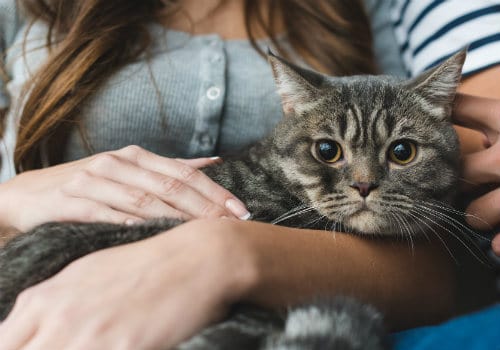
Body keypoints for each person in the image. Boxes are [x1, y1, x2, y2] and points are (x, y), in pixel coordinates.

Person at [0, 0, 498, 349]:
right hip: (48, 266)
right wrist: (9, 196)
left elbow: (444, 256)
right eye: (329, 150)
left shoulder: (386, 12)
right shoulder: (24, 10)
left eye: (399, 153)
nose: (363, 180)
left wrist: (221, 252)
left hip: (309, 277)